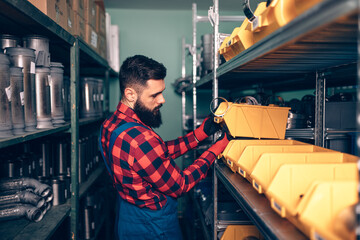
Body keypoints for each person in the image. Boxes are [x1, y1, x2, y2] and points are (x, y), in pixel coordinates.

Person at [99, 55, 230, 240]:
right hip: (153, 228)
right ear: (130, 94)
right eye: (154, 95)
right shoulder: (140, 139)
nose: (162, 100)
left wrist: (200, 134)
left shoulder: (111, 124)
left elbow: (155, 155)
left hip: (127, 219)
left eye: (162, 92)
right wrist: (215, 150)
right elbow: (181, 185)